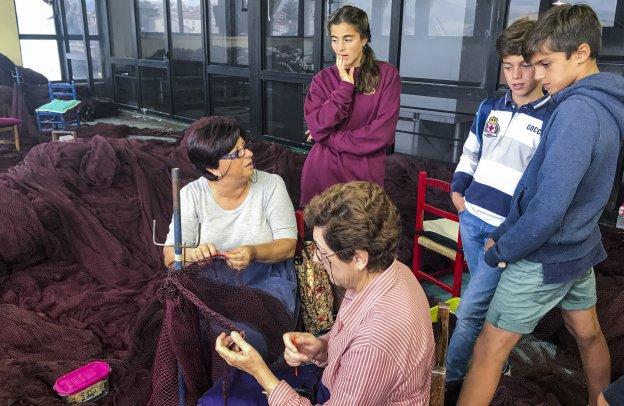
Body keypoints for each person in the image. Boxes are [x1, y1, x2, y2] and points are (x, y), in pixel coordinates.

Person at [458, 4, 624, 405]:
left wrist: (503, 251)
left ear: (581, 53)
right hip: (580, 249)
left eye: (546, 64)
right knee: (587, 335)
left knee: (487, 350)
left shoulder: (576, 112)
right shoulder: (608, 104)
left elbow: (547, 207)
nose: (540, 76)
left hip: (543, 256)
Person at [215, 181, 434, 405]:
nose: (318, 260)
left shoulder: (375, 341)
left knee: (217, 399)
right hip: (337, 387)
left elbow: (364, 349)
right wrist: (321, 348)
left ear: (358, 258)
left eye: (323, 252)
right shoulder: (391, 270)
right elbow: (352, 345)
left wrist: (259, 372)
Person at [446, 18, 553, 385]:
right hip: (470, 217)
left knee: (472, 307)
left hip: (504, 230)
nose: (516, 75)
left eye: (524, 65)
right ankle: (493, 362)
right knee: (484, 296)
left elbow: (542, 184)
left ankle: (450, 380)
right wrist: (458, 195)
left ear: (539, 64)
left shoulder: (553, 116)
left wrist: (511, 230)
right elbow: (470, 153)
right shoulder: (489, 107)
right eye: (508, 66)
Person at [163, 116, 298, 318]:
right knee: (204, 325)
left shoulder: (271, 185)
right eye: (238, 153)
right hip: (213, 282)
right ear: (212, 168)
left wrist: (254, 252)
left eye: (245, 146)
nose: (249, 154)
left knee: (255, 328)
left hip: (266, 279)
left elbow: (288, 246)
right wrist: (194, 254)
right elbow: (170, 257)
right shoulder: (192, 194)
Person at [299, 5, 401, 207]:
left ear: (364, 39)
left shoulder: (387, 75)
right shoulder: (322, 79)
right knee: (319, 236)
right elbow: (318, 125)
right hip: (322, 172)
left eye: (348, 39)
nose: (340, 48)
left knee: (361, 234)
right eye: (334, 40)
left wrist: (329, 137)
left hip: (363, 177)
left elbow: (382, 135)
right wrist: (345, 87)